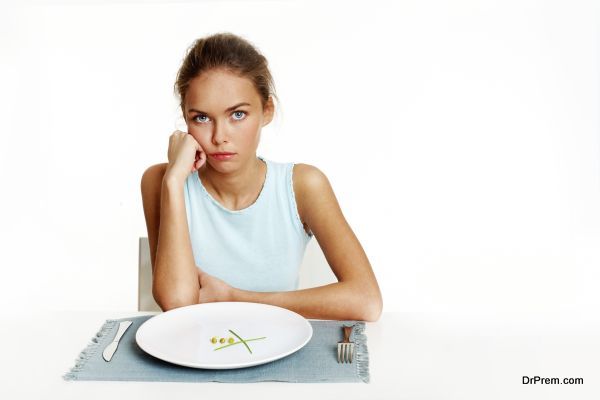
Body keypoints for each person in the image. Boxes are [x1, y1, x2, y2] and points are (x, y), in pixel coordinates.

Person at [141, 32, 383, 321]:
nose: (219, 137)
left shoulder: (303, 185)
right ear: (185, 118)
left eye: (238, 115)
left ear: (266, 111)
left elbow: (367, 301)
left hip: (280, 350)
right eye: (201, 118)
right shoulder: (161, 181)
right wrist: (173, 181)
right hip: (194, 354)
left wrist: (236, 298)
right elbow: (178, 305)